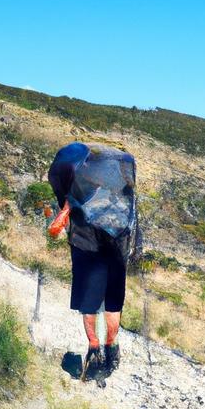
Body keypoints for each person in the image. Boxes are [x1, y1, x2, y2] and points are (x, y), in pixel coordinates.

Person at [47, 142, 140, 380]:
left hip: (86, 251)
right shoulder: (122, 195)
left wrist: (62, 220)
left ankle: (94, 348)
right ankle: (111, 348)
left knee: (89, 305)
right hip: (116, 251)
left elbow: (56, 226)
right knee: (113, 305)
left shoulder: (77, 193)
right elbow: (134, 228)